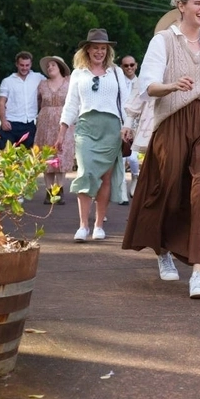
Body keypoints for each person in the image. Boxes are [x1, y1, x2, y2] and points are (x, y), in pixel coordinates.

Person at [121, 0, 200, 300]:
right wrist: (172, 85)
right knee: (166, 189)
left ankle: (198, 273)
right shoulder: (164, 42)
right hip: (172, 121)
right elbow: (149, 86)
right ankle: (162, 249)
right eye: (198, 3)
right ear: (181, 6)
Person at [57, 29, 132, 243]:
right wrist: (61, 133)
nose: (99, 51)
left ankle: (99, 224)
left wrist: (128, 126)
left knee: (105, 178)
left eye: (103, 48)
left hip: (111, 128)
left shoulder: (116, 72)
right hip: (86, 128)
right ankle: (83, 226)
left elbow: (126, 103)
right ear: (87, 49)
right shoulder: (78, 74)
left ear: (107, 50)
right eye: (95, 47)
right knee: (86, 172)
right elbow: (71, 104)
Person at [35, 56, 75, 204]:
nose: (50, 68)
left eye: (53, 65)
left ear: (60, 67)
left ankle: (60, 189)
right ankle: (48, 191)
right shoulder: (42, 84)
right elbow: (38, 103)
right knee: (47, 157)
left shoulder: (69, 82)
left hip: (64, 122)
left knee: (62, 155)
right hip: (45, 124)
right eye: (48, 66)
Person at [0, 51, 45, 150]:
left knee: (27, 159)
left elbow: (52, 84)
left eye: (27, 65)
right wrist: (3, 121)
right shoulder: (7, 81)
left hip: (29, 124)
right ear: (17, 64)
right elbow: (1, 102)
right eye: (22, 65)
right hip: (10, 124)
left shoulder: (38, 78)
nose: (24, 68)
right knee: (5, 157)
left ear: (31, 64)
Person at [118, 55, 140, 204]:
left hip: (138, 124)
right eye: (126, 66)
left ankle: (135, 177)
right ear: (122, 67)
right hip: (121, 122)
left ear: (136, 65)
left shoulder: (141, 82)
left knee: (132, 157)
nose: (129, 68)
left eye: (131, 65)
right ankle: (121, 191)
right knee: (121, 158)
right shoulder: (119, 83)